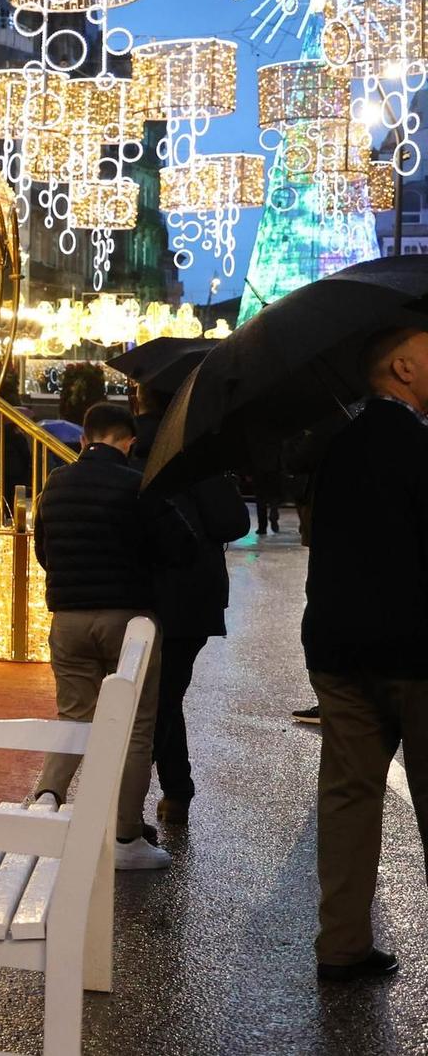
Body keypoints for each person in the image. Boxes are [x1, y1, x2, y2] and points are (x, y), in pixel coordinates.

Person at [300, 327, 428, 983]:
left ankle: (342, 944)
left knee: (349, 796)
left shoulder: (336, 443)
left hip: (337, 648)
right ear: (402, 366)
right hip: (416, 653)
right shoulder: (419, 445)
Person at [32, 401, 193, 870]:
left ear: (84, 440)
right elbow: (180, 548)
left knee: (75, 718)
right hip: (129, 622)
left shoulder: (55, 485)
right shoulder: (139, 485)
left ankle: (48, 799)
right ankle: (124, 837)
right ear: (130, 442)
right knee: (134, 728)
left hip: (68, 620)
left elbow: (45, 551)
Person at [131, 385, 249, 827]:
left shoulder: (128, 450)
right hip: (192, 600)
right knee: (166, 698)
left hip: (135, 596)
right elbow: (233, 521)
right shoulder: (195, 454)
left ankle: (155, 796)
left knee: (155, 701)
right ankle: (173, 792)